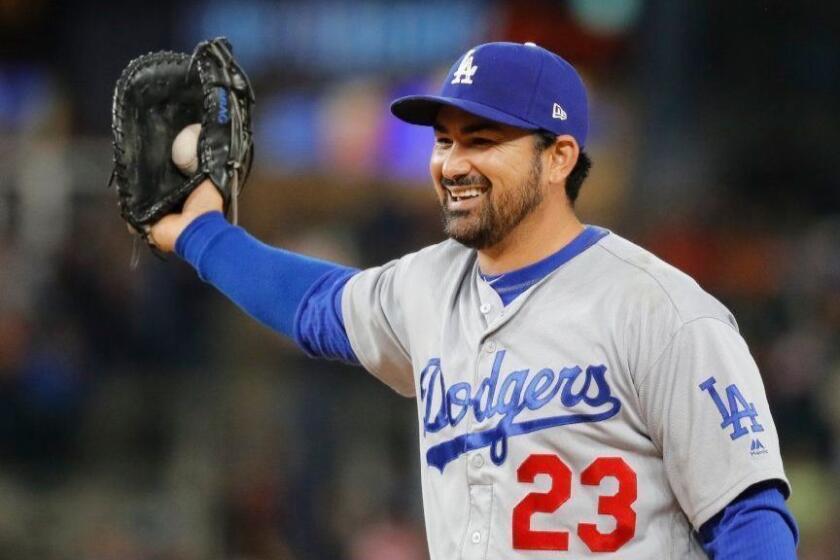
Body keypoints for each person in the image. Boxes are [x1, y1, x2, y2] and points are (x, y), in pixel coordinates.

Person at [149, 42, 798, 558]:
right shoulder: (426, 287)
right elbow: (317, 307)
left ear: (558, 158)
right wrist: (200, 234)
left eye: (482, 141)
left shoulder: (662, 312)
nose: (452, 163)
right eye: (444, 140)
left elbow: (748, 518)